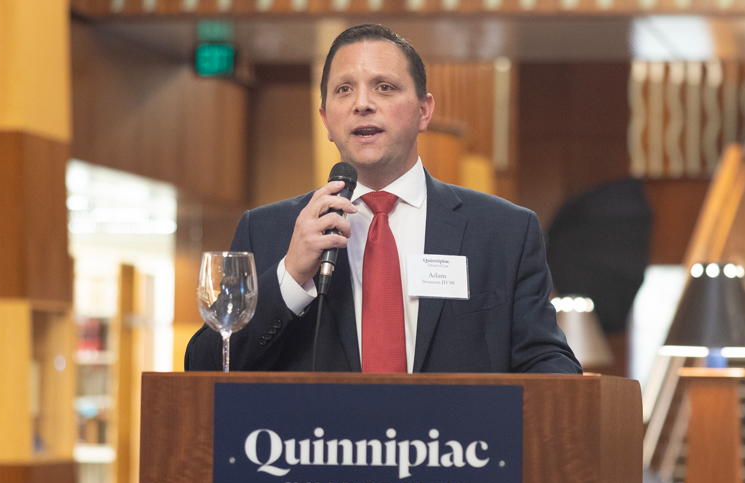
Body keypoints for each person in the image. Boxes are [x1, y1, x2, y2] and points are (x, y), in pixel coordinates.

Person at [185, 24, 580, 374]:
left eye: (384, 87)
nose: (362, 104)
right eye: (344, 90)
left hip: (453, 453)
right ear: (326, 120)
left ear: (424, 111)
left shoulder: (505, 232)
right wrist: (290, 276)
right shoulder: (266, 231)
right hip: (321, 452)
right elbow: (205, 366)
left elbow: (547, 363)